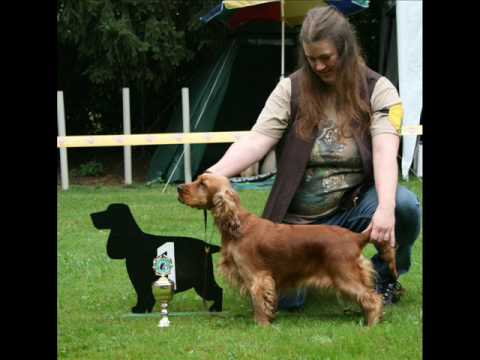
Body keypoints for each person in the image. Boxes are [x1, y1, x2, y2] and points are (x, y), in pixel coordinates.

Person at [205, 6, 421, 309]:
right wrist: (212, 175)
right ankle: (325, 269)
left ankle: (384, 280)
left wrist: (385, 208)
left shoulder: (378, 89)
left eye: (325, 58)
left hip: (354, 207)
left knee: (405, 206)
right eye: (310, 59)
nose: (317, 66)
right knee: (288, 301)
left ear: (345, 50)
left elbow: (386, 148)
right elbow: (257, 139)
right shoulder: (290, 88)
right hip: (297, 220)